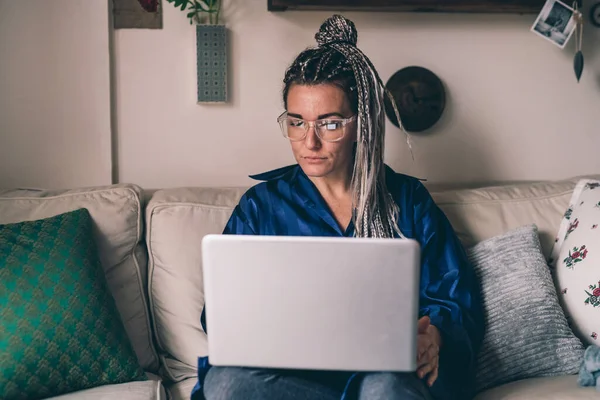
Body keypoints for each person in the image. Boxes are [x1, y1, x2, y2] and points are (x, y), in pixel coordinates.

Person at [191, 14, 484, 400]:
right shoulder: (260, 207)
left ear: (359, 124)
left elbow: (456, 297)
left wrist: (435, 336)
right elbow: (222, 315)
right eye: (297, 122)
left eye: (329, 124)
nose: (309, 142)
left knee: (384, 389)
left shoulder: (407, 200)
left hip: (386, 376)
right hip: (294, 379)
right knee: (227, 384)